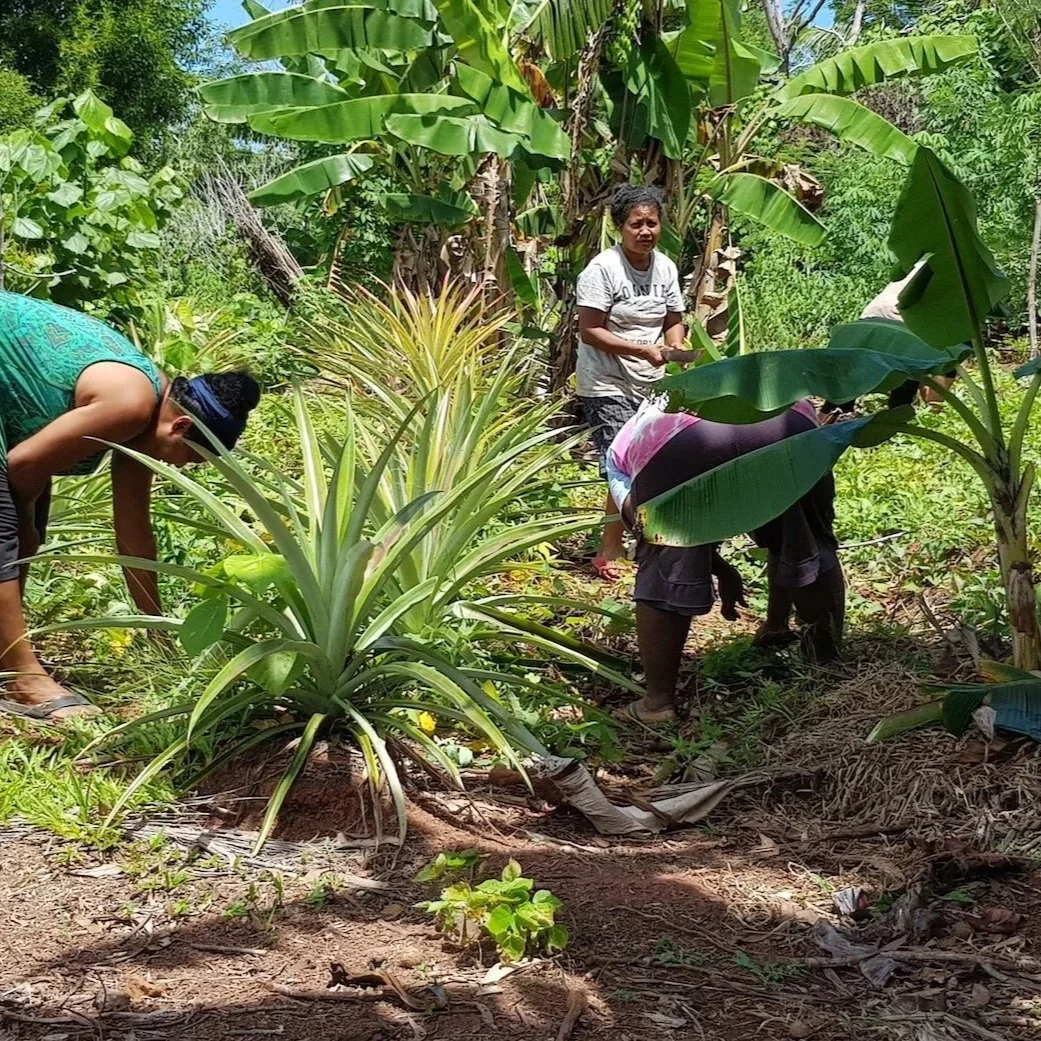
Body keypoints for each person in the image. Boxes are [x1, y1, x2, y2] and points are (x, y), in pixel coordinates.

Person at [0, 290, 261, 721]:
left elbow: (134, 537)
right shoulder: (131, 403)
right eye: (192, 458)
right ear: (181, 427)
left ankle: (7, 655)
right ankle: (23, 679)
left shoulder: (149, 413)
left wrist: (154, 632)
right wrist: (24, 526)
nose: (186, 468)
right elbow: (21, 466)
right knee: (9, 529)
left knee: (24, 526)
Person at [606, 397, 845, 723]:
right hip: (788, 425)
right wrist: (727, 573)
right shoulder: (791, 400)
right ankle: (828, 670)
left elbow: (663, 534)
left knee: (664, 562)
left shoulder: (618, 462)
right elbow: (783, 540)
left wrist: (715, 568)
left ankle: (656, 704)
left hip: (679, 446)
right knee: (805, 542)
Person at [575, 185, 697, 581]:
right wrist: (641, 349)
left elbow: (673, 317)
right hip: (607, 381)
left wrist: (675, 348)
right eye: (636, 224)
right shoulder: (602, 271)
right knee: (621, 462)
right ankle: (611, 548)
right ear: (619, 227)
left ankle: (647, 538)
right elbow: (589, 330)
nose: (645, 231)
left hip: (652, 382)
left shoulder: (664, 267)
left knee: (649, 460)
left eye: (652, 223)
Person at [822, 261, 956, 419]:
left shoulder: (926, 260)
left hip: (875, 313)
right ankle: (896, 423)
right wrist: (934, 411)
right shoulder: (957, 282)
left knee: (852, 377)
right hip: (903, 317)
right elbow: (934, 396)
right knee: (906, 380)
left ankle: (825, 418)